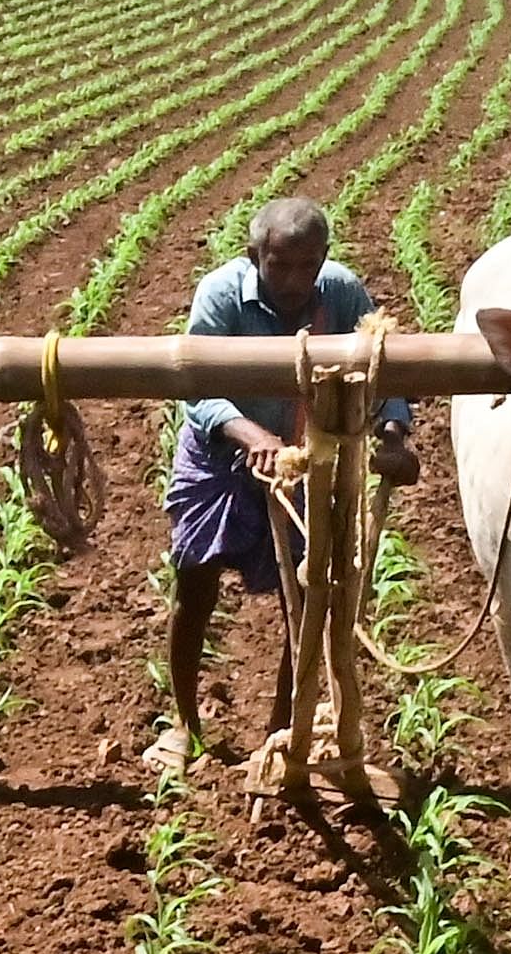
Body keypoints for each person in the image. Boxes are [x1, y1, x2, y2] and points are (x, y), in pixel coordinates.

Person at [156, 196, 413, 782]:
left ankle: (282, 729)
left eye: (308, 266)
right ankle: (182, 722)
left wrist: (393, 433)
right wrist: (250, 436)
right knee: (194, 587)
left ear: (325, 258)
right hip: (221, 458)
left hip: (303, 458)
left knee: (304, 600)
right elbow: (198, 385)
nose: (296, 281)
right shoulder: (222, 295)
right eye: (280, 266)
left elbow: (379, 365)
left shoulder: (343, 293)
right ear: (255, 256)